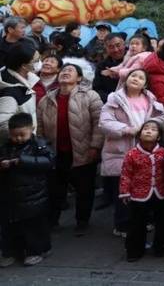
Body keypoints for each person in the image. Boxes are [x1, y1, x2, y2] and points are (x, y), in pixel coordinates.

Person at [99, 69, 164, 237]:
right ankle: (122, 225)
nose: (135, 79)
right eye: (133, 76)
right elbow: (105, 123)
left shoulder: (150, 99)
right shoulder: (114, 99)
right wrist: (128, 130)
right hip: (120, 150)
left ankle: (143, 221)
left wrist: (148, 128)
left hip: (145, 150)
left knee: (143, 186)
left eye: (140, 77)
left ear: (145, 84)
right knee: (123, 190)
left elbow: (162, 118)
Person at [37, 63, 103, 235]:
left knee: (84, 189)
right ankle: (53, 221)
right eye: (63, 70)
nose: (65, 72)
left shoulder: (90, 96)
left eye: (70, 70)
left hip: (83, 150)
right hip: (55, 152)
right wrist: (43, 148)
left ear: (79, 78)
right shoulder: (46, 99)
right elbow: (40, 129)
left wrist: (95, 146)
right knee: (55, 189)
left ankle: (82, 221)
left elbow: (98, 123)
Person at [0, 112, 54, 267]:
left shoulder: (39, 144)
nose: (18, 139)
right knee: (11, 228)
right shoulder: (6, 146)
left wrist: (21, 161)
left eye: (22, 135)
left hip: (34, 195)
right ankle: (11, 252)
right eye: (14, 135)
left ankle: (35, 251)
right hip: (10, 196)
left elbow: (48, 161)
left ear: (32, 129)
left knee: (33, 227)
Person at [119, 119, 164, 262]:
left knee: (163, 221)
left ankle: (161, 246)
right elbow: (126, 173)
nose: (149, 131)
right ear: (140, 134)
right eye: (146, 128)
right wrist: (125, 191)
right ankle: (135, 250)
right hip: (138, 194)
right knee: (137, 223)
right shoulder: (132, 154)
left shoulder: (163, 153)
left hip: (160, 192)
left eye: (153, 129)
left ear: (159, 136)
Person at [0, 41, 40, 144]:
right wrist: (25, 136)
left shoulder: (26, 79)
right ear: (24, 66)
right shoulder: (9, 93)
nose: (40, 62)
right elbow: (3, 125)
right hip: (19, 148)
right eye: (36, 60)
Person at [94, 33, 127, 102]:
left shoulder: (134, 60)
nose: (116, 50)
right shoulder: (101, 66)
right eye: (111, 47)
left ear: (124, 44)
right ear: (106, 48)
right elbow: (97, 89)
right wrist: (112, 99)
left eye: (118, 45)